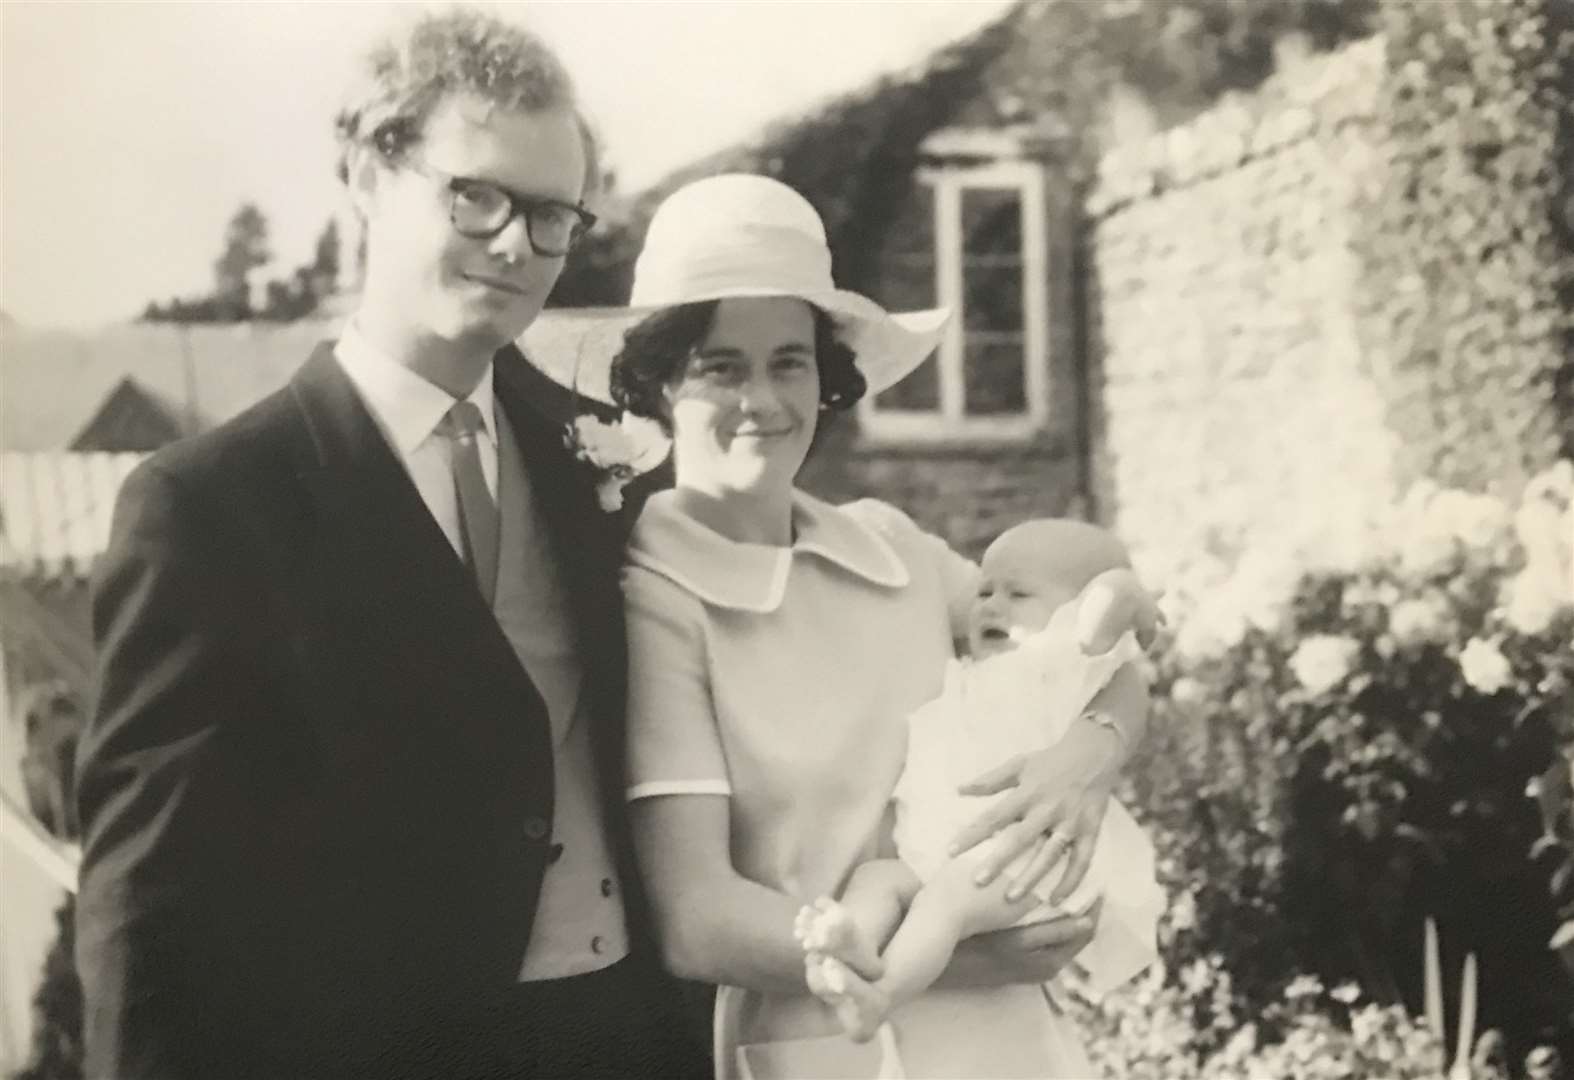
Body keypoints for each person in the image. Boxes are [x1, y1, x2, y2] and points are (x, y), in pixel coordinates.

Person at [74, 9, 704, 1078]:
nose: (515, 243)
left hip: (625, 1042)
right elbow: (150, 919)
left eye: (552, 214)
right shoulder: (209, 506)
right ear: (369, 173)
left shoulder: (604, 462)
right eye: (477, 194)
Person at [606, 174, 1162, 1080]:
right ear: (660, 380)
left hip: (1009, 1038)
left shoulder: (892, 548)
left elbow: (1084, 652)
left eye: (790, 360)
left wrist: (1089, 758)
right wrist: (950, 956)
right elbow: (696, 916)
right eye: (721, 364)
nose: (764, 400)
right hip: (826, 1037)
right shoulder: (656, 597)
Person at [794, 518, 1167, 1055]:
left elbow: (1103, 619)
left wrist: (1124, 589)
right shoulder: (970, 668)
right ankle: (854, 946)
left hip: (1032, 859)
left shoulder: (1059, 665)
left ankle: (881, 995)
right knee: (879, 878)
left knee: (945, 902)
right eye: (986, 590)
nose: (990, 605)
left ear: (1072, 610)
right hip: (954, 854)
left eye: (1018, 594)